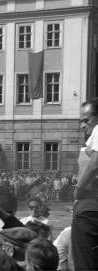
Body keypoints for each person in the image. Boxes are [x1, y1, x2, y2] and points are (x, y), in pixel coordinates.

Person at [73, 97, 98, 270]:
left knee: (85, 263)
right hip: (88, 208)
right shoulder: (90, 140)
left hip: (90, 210)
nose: (82, 125)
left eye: (86, 120)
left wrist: (78, 188)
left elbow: (96, 162)